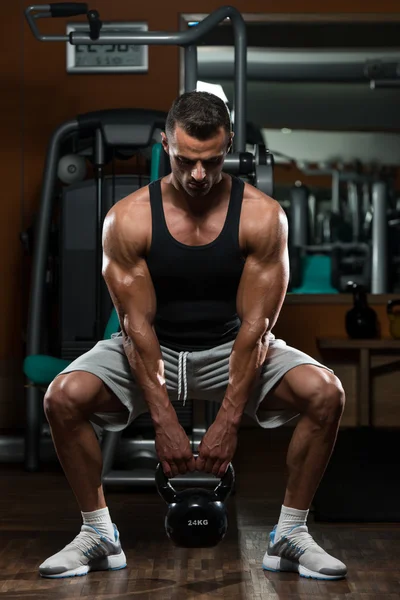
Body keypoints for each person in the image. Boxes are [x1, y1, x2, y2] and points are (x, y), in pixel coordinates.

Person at [39, 91, 347, 581]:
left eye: (212, 160)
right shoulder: (129, 218)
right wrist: (164, 422)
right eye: (185, 161)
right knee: (63, 398)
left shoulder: (263, 216)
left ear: (228, 146)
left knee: (325, 394)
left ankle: (290, 534)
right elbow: (136, 330)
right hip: (150, 345)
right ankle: (98, 533)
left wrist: (227, 422)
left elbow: (257, 328)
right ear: (166, 145)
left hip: (233, 347)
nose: (199, 175)